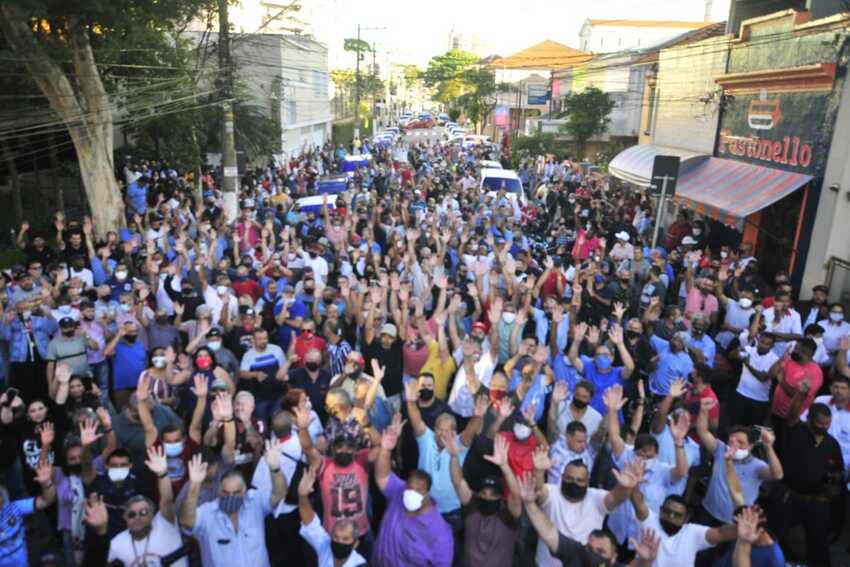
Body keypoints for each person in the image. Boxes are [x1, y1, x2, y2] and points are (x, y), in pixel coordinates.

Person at [179, 439, 287, 567]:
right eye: (226, 492)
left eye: (236, 493)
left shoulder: (255, 502)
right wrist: (195, 485)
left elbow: (279, 494)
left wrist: (275, 469)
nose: (231, 497)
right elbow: (186, 522)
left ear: (245, 490)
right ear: (219, 491)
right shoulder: (207, 513)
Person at [372, 414, 453, 567]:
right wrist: (385, 450)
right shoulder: (398, 493)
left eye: (418, 490)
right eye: (409, 487)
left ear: (428, 495)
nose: (411, 492)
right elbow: (382, 476)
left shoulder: (439, 531)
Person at [106, 446, 186, 566]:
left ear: (152, 513)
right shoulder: (116, 544)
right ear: (125, 518)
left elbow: (167, 500)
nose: (137, 517)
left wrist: (162, 474)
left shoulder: (164, 524)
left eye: (143, 512)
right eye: (132, 514)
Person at [297, 463, 368, 567]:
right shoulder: (326, 546)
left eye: (345, 539)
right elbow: (310, 523)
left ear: (355, 543)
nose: (339, 542)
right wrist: (302, 496)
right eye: (336, 537)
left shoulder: (360, 565)